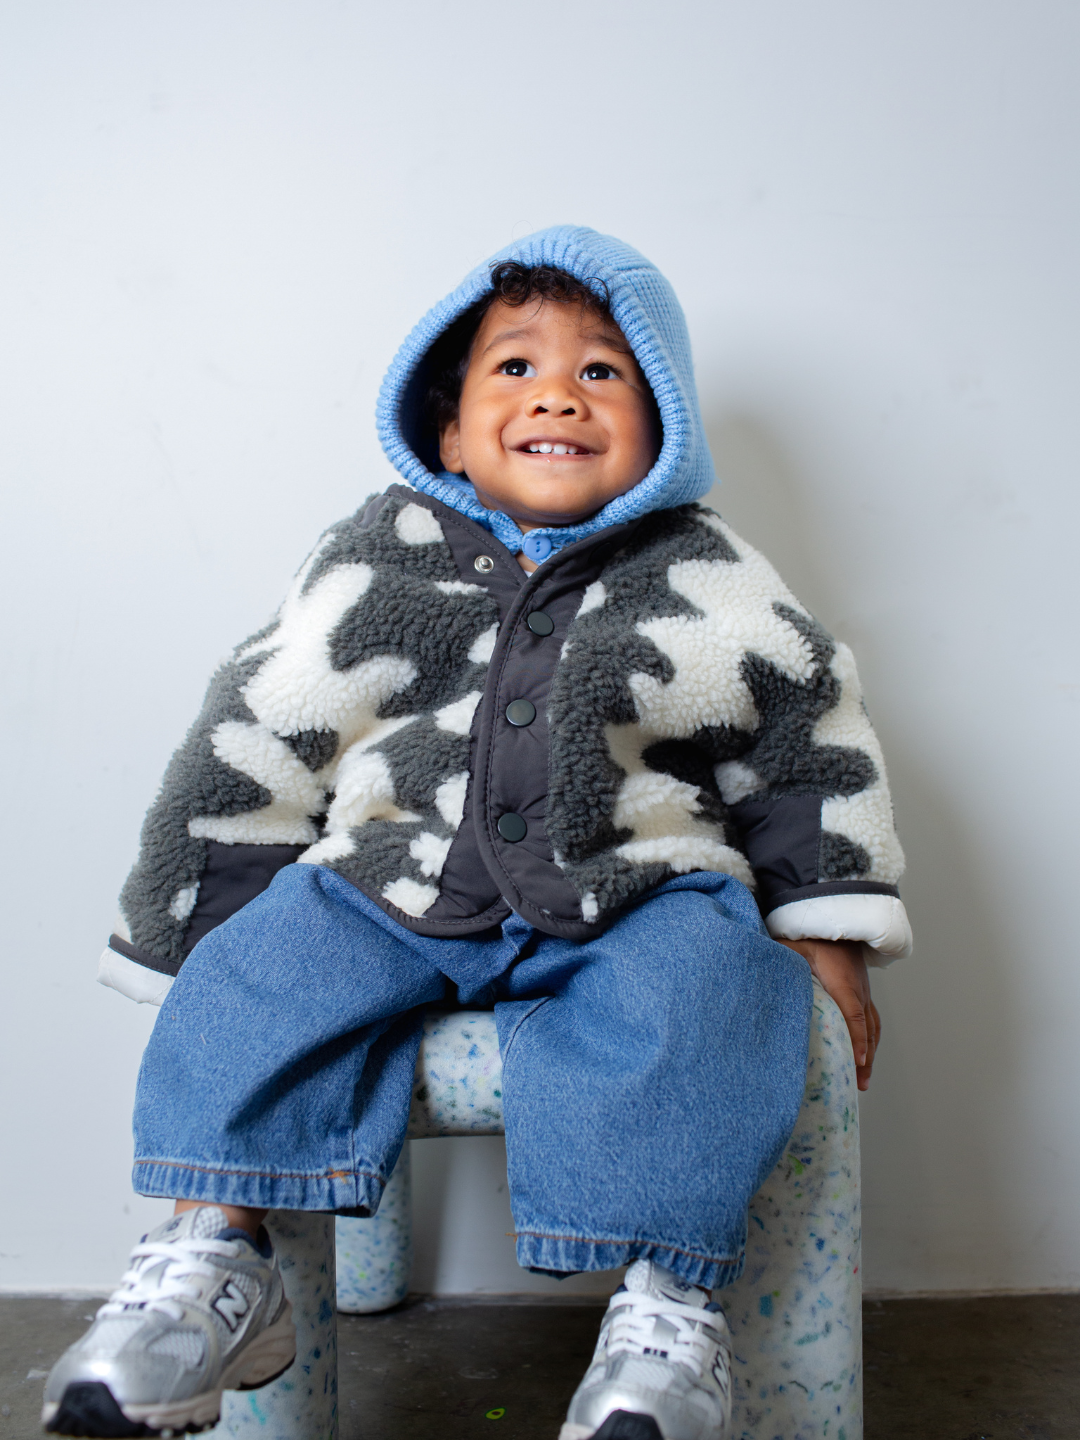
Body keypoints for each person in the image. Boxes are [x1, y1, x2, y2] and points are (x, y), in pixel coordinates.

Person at [44, 227, 911, 1440]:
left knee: (718, 992)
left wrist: (830, 933)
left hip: (637, 893)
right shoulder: (377, 553)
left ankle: (665, 1323)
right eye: (515, 367)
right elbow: (262, 715)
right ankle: (217, 1263)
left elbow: (802, 731)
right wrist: (189, 927)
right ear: (446, 428)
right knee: (258, 972)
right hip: (389, 888)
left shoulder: (704, 570)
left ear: (664, 430)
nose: (557, 390)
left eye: (603, 371)